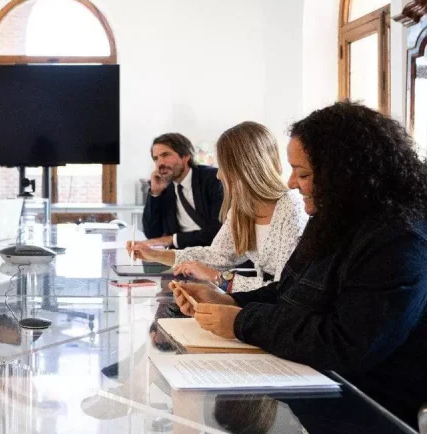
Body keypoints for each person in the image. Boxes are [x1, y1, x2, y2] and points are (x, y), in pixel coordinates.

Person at [172, 102, 427, 428]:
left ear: (347, 175)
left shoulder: (401, 240)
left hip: (367, 411)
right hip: (311, 391)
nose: (291, 183)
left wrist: (240, 321)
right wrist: (231, 300)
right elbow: (289, 288)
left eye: (303, 173)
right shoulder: (334, 216)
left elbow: (346, 344)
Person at [130, 122, 308, 292]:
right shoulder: (242, 208)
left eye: (224, 167)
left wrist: (219, 278)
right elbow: (218, 255)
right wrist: (153, 255)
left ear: (245, 167)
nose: (219, 175)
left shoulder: (290, 207)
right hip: (263, 304)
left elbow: (285, 287)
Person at [141, 133, 224, 248]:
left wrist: (173, 239)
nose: (160, 163)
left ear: (185, 156)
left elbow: (220, 230)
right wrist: (155, 193)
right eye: (156, 159)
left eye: (165, 155)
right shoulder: (166, 188)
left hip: (216, 252)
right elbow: (152, 234)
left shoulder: (213, 178)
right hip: (183, 255)